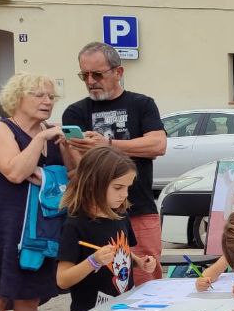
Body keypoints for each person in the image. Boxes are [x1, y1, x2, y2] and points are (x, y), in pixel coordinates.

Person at [62, 42, 167, 285]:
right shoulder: (75, 112)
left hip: (139, 209)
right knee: (105, 283)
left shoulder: (142, 104)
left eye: (97, 74)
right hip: (95, 215)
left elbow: (158, 145)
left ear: (118, 72)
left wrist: (108, 145)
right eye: (84, 75)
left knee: (147, 279)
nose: (90, 81)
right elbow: (81, 169)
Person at [0, 72, 75, 311]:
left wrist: (68, 146)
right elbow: (16, 172)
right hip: (2, 227)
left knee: (29, 296)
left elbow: (73, 175)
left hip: (37, 229)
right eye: (39, 95)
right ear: (17, 97)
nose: (47, 101)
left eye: (51, 96)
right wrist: (40, 137)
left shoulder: (53, 133)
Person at [55, 147, 156, 311]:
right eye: (118, 187)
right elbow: (62, 279)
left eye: (127, 188)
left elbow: (121, 253)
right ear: (94, 183)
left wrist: (139, 262)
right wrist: (93, 261)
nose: (124, 194)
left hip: (123, 307)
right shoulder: (75, 225)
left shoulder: (120, 215)